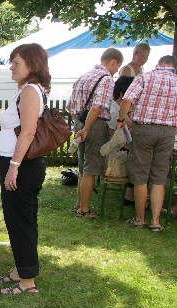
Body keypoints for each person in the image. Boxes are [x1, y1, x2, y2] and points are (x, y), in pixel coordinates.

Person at [0, 43, 51, 295]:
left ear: (32, 65)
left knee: (21, 222)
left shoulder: (30, 91)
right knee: (16, 220)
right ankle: (21, 270)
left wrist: (14, 166)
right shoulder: (28, 90)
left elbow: (27, 132)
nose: (11, 67)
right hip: (17, 164)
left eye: (16, 63)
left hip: (22, 166)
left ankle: (27, 281)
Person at [117, 55, 177, 232]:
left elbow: (127, 100)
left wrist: (121, 119)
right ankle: (155, 221)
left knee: (140, 175)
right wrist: (176, 125)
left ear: (159, 64)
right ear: (174, 67)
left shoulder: (144, 77)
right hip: (168, 132)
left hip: (144, 129)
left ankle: (140, 219)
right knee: (159, 177)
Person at [67, 48, 123, 218]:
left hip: (80, 121)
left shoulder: (85, 76)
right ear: (113, 62)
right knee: (91, 168)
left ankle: (79, 204)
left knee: (82, 166)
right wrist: (87, 128)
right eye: (117, 67)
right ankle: (84, 209)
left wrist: (80, 125)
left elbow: (70, 105)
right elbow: (97, 107)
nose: (116, 71)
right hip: (94, 125)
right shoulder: (106, 79)